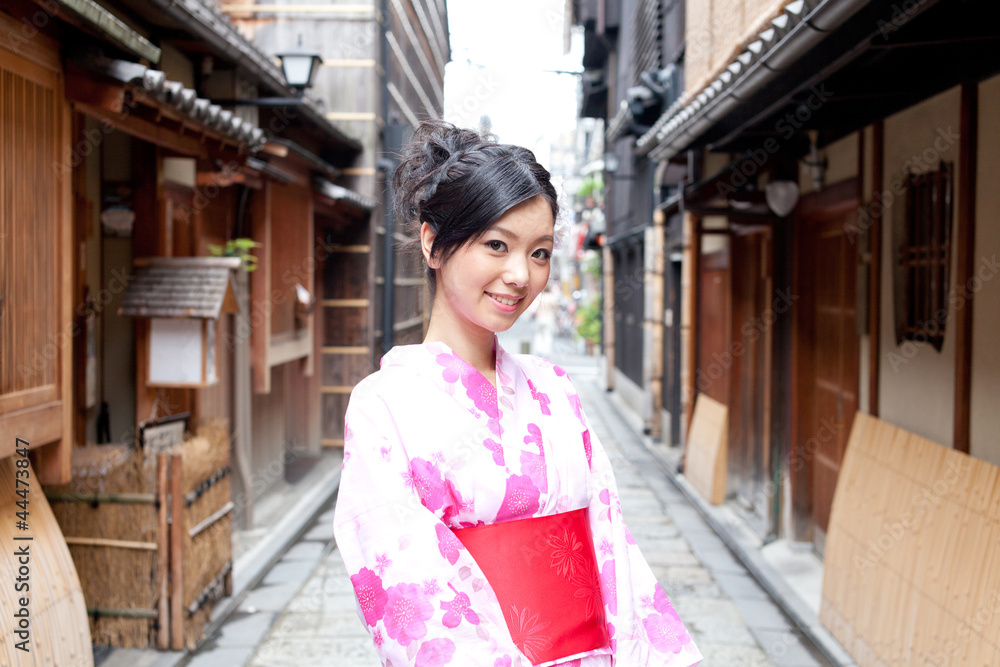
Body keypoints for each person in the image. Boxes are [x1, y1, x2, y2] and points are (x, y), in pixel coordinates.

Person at [333, 120, 702, 667]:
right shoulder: (384, 405)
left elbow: (608, 541)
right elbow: (403, 580)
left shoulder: (553, 388)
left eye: (540, 253)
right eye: (497, 245)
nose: (519, 274)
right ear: (433, 243)